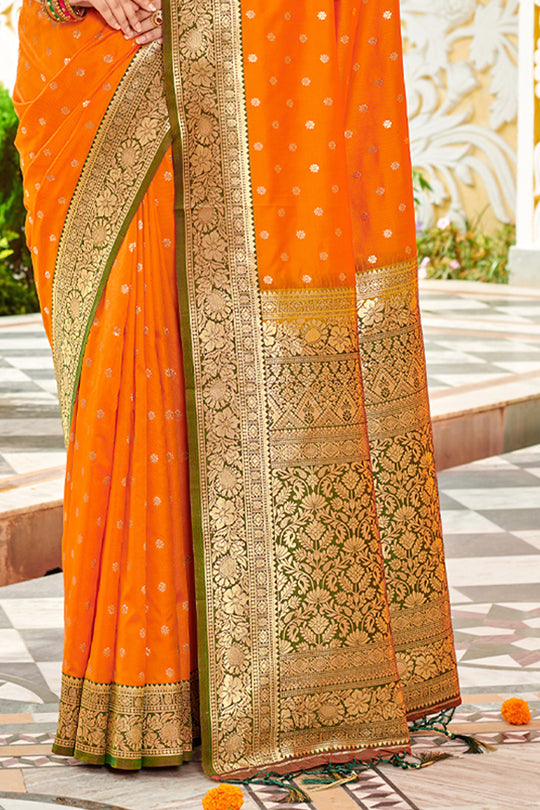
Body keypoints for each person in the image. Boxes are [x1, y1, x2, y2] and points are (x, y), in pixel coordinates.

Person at [14, 0, 461, 779]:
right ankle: (144, 684)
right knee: (124, 360)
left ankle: (242, 688)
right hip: (97, 58)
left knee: (182, 352)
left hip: (236, 56)